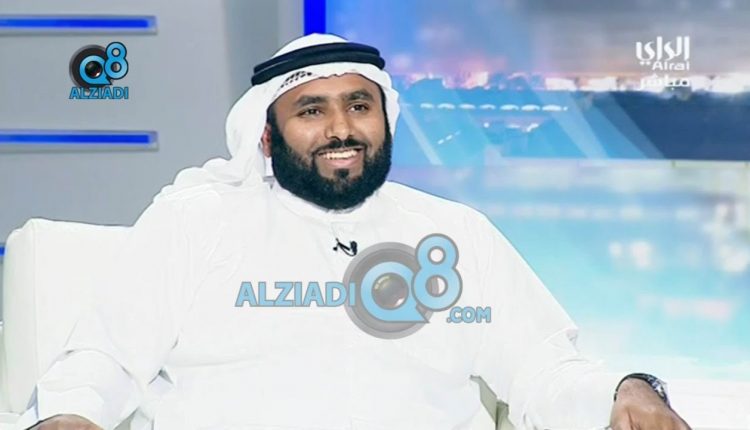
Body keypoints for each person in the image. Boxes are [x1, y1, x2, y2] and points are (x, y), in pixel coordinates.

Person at [19, 34, 690, 430]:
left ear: (384, 119)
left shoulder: (456, 233)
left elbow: (543, 371)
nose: (341, 128)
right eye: (311, 110)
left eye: (359, 105)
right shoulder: (195, 221)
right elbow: (103, 361)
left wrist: (626, 390)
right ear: (266, 136)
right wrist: (72, 415)